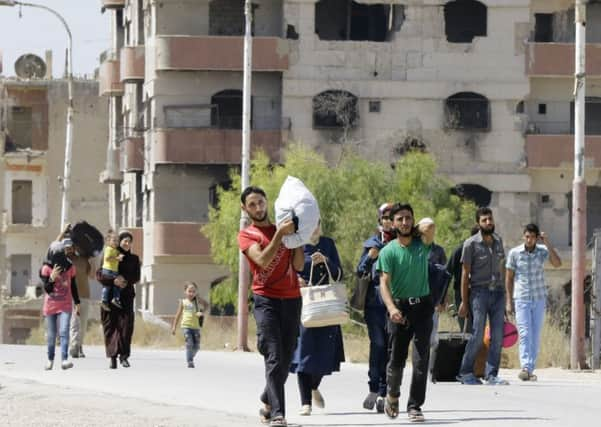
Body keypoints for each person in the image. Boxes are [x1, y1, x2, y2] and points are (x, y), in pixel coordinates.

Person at [237, 186, 304, 427]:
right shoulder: (247, 235)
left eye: (261, 202)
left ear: (268, 202)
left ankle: (267, 397)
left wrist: (297, 238)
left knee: (286, 357)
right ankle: (278, 413)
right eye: (252, 204)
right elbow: (263, 261)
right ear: (245, 209)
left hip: (292, 298)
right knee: (274, 356)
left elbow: (298, 265)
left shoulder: (283, 228)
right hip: (266, 300)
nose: (258, 207)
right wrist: (279, 236)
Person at [377, 203, 435, 423]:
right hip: (400, 308)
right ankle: (392, 395)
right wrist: (391, 308)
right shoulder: (388, 251)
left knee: (421, 361)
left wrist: (416, 227)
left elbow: (430, 224)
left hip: (423, 307)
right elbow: (384, 283)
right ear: (392, 223)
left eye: (408, 218)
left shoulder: (422, 244)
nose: (404, 223)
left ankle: (415, 406)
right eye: (399, 219)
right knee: (397, 359)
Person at [290, 223, 345, 416]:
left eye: (317, 224)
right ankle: (305, 402)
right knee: (304, 354)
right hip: (304, 305)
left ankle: (314, 386)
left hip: (327, 306)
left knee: (325, 355)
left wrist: (326, 261)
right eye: (309, 224)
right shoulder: (295, 245)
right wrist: (296, 280)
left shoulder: (328, 243)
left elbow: (339, 275)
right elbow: (286, 271)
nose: (314, 228)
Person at [457, 207, 508, 385]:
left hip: (498, 293)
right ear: (478, 223)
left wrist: (506, 298)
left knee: (498, 335)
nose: (488, 222)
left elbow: (502, 268)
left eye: (490, 219)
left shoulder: (498, 241)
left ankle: (491, 374)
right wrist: (464, 302)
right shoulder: (470, 244)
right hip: (479, 293)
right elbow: (465, 275)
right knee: (477, 334)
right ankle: (465, 372)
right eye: (484, 220)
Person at [505, 224, 561, 381]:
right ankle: (525, 367)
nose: (529, 240)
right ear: (524, 236)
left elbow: (557, 264)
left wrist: (547, 242)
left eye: (532, 237)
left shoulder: (542, 251)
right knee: (524, 333)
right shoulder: (515, 253)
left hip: (539, 298)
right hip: (521, 297)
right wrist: (508, 302)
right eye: (527, 237)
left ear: (537, 238)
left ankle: (530, 368)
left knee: (535, 335)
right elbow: (509, 278)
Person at [356, 202, 394, 413]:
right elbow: (360, 271)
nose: (388, 221)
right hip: (374, 304)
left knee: (390, 349)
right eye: (385, 217)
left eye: (392, 217)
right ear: (380, 219)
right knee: (377, 345)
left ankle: (384, 392)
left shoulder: (401, 243)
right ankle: (373, 388)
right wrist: (370, 257)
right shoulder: (372, 243)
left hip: (395, 304)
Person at [101, 230, 141, 369]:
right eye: (124, 240)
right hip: (110, 297)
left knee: (126, 327)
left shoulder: (134, 259)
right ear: (119, 241)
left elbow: (137, 277)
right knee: (111, 327)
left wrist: (124, 280)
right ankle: (112, 357)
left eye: (129, 241)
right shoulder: (111, 253)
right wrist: (114, 280)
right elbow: (100, 274)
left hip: (127, 297)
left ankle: (124, 356)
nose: (127, 243)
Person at [55, 223, 94, 359]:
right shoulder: (60, 260)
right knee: (74, 321)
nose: (68, 249)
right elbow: (54, 246)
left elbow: (92, 274)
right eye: (65, 247)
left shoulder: (83, 260)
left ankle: (79, 346)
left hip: (85, 295)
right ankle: (73, 347)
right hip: (69, 297)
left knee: (82, 324)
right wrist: (63, 231)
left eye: (70, 246)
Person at [39, 242, 80, 370]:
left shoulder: (70, 267)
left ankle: (64, 360)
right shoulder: (46, 268)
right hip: (50, 306)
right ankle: (50, 359)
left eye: (61, 253)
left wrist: (77, 303)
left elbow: (73, 286)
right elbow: (47, 289)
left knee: (64, 331)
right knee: (51, 334)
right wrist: (51, 278)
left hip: (65, 304)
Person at [445, 226, 479, 332]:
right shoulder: (459, 251)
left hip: (478, 292)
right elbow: (447, 273)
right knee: (464, 326)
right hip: (461, 292)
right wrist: (442, 298)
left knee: (477, 327)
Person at [171, 281, 209, 368]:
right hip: (186, 326)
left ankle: (190, 357)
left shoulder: (197, 301)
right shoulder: (183, 302)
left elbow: (207, 305)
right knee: (189, 343)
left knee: (197, 347)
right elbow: (178, 315)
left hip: (196, 327)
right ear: (185, 291)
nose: (191, 293)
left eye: (193, 291)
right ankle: (190, 361)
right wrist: (174, 327)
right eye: (189, 291)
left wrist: (201, 312)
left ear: (196, 292)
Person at [100, 232, 124, 311]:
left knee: (116, 285)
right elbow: (107, 259)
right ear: (109, 241)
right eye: (114, 240)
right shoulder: (108, 249)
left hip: (114, 270)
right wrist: (117, 258)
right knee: (107, 286)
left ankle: (115, 299)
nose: (116, 242)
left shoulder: (115, 250)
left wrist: (120, 256)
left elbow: (117, 257)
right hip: (108, 270)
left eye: (117, 241)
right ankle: (104, 300)